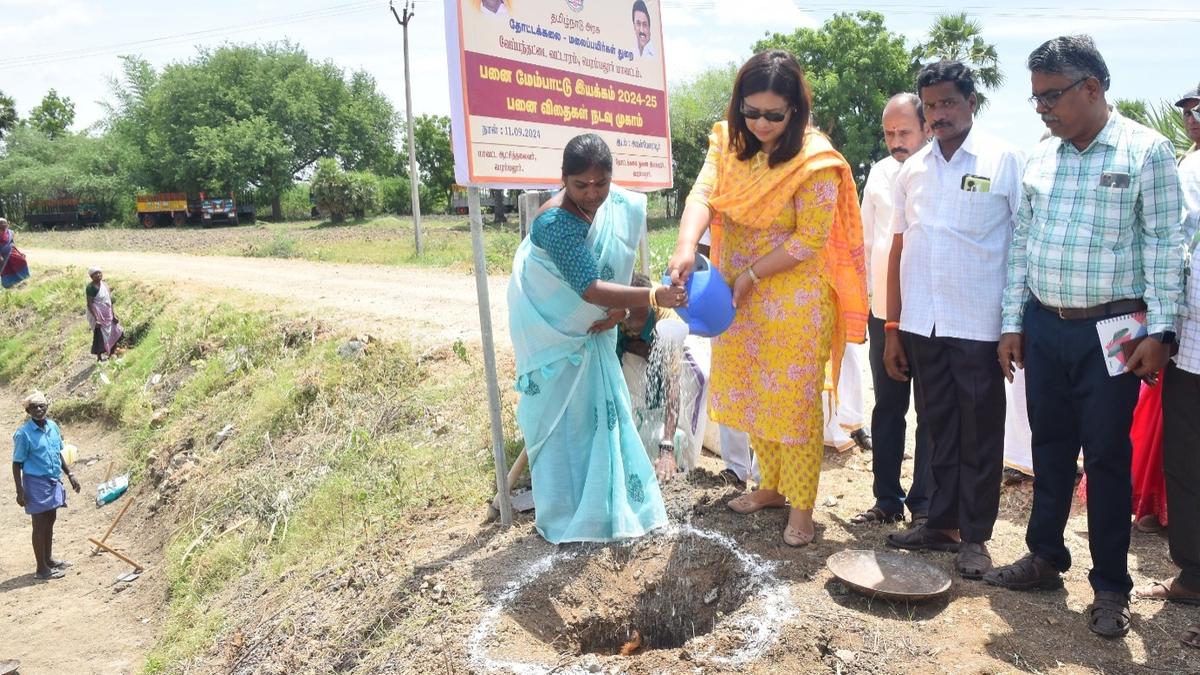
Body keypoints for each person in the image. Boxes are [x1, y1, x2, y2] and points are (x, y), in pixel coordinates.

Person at [987, 36, 1184, 639]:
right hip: (1046, 324)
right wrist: (1013, 324)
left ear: (1092, 89)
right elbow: (1021, 244)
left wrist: (1163, 329)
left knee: (1105, 458)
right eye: (1036, 96)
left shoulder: (1145, 151)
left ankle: (1110, 586)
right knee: (1048, 446)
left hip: (1113, 331)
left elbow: (1165, 244)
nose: (1041, 107)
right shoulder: (1042, 156)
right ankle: (1046, 556)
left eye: (1051, 95)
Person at [668, 50, 868, 547]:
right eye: (750, 111)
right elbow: (701, 195)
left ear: (795, 110)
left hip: (793, 301)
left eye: (772, 115)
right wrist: (686, 246)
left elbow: (809, 240)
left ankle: (802, 509)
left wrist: (755, 273)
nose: (759, 123)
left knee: (794, 405)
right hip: (738, 297)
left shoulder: (814, 160)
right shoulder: (727, 143)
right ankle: (772, 487)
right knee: (757, 395)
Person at [882, 61, 1024, 581]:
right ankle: (939, 524)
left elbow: (1021, 246)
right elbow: (900, 249)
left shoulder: (1004, 159)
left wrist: (1014, 325)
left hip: (979, 326)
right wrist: (894, 327)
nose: (938, 113)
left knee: (980, 433)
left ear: (970, 102)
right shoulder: (912, 170)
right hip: (923, 323)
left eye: (947, 102)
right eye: (930, 104)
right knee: (937, 427)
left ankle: (976, 538)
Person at [507, 133, 686, 544]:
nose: (592, 194)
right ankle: (567, 513)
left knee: (596, 418)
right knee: (559, 424)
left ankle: (604, 507)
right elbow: (590, 289)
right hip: (554, 336)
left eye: (601, 184)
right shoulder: (556, 224)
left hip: (592, 334)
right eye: (580, 185)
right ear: (563, 181)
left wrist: (621, 311)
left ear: (611, 179)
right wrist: (653, 296)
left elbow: (612, 280)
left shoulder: (608, 209)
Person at [1133, 81, 1200, 651]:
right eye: (1187, 108)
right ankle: (1193, 573)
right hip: (1190, 345)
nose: (1192, 116)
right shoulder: (1186, 165)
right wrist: (1161, 330)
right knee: (1185, 461)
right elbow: (1166, 246)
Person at [852, 92, 933, 526]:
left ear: (925, 129)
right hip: (884, 311)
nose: (896, 141)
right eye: (889, 133)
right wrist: (863, 306)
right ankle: (886, 499)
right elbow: (866, 244)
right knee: (887, 407)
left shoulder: (937, 171)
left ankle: (923, 504)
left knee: (930, 410)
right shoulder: (880, 174)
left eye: (904, 132)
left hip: (926, 313)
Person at [617, 273, 709, 473]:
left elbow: (672, 383)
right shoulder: (615, 310)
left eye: (642, 317)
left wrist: (667, 447)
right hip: (634, 347)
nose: (636, 323)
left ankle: (685, 461)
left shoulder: (666, 318)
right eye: (631, 316)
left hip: (678, 340)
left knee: (700, 377)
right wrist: (637, 347)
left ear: (651, 308)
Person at [12, 391, 81, 581]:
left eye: (42, 406)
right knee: (39, 525)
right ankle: (41, 569)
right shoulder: (23, 434)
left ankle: (48, 559)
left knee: (50, 519)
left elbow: (58, 453)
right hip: (35, 483)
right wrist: (20, 491)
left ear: (47, 407)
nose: (39, 409)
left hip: (53, 480)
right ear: (28, 411)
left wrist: (70, 474)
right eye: (34, 407)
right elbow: (17, 463)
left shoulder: (53, 427)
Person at [86, 267, 125, 362]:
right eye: (96, 274)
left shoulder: (105, 285)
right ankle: (99, 357)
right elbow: (90, 303)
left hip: (107, 313)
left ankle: (112, 351)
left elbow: (109, 300)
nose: (98, 275)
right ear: (91, 277)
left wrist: (113, 314)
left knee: (115, 331)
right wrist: (96, 319)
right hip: (98, 314)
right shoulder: (90, 288)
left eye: (99, 273)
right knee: (100, 335)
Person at [1, 217, 30, 289]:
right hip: (3, 259)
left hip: (13, 255)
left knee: (22, 262)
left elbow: (12, 244)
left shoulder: (10, 233)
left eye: (2, 228)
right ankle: (11, 288)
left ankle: (23, 283)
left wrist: (19, 252)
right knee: (7, 272)